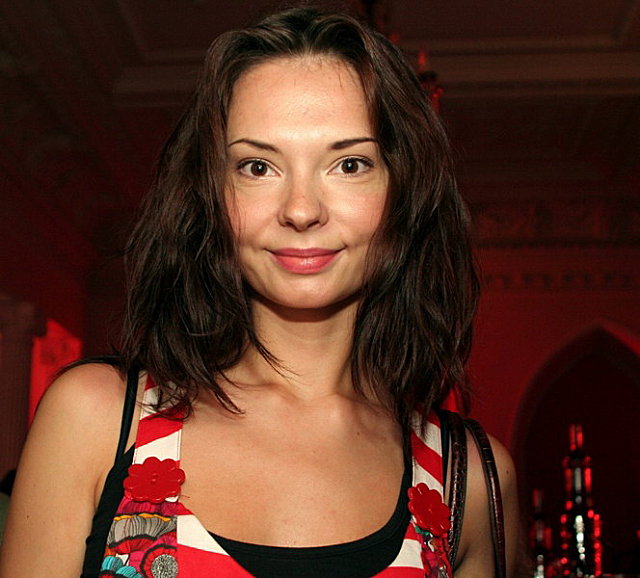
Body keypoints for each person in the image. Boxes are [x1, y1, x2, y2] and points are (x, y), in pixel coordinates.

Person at [0, 7, 519, 577]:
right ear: (211, 193)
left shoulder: (468, 478)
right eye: (257, 167)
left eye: (349, 164)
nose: (301, 209)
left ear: (404, 190)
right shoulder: (96, 420)